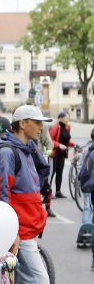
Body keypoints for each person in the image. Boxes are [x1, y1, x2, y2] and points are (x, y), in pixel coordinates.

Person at [0, 105, 61, 284]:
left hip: (26, 229)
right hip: (20, 231)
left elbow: (42, 173)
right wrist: (10, 231)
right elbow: (1, 194)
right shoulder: (9, 153)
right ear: (22, 124)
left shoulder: (25, 150)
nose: (41, 127)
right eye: (36, 122)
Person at [76, 127, 94, 260]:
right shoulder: (89, 151)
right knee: (87, 207)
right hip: (90, 186)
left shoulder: (89, 151)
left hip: (89, 187)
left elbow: (81, 168)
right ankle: (86, 229)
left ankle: (85, 230)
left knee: (87, 206)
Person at [48, 111, 74, 199]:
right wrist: (58, 145)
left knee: (60, 173)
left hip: (62, 154)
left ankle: (58, 192)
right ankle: (48, 192)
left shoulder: (67, 127)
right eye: (67, 118)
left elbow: (66, 140)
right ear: (61, 118)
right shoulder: (55, 127)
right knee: (52, 173)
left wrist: (74, 145)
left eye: (68, 117)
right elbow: (49, 140)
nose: (68, 119)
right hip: (54, 153)